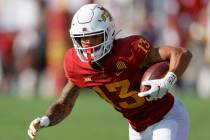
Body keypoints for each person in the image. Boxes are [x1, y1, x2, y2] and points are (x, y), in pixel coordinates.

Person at [27, 4, 192, 140]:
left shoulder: (130, 50)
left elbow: (181, 54)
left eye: (94, 37)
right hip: (136, 128)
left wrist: (168, 80)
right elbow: (64, 104)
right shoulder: (75, 64)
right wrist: (46, 119)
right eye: (82, 39)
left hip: (166, 117)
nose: (87, 44)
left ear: (108, 33)